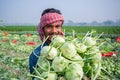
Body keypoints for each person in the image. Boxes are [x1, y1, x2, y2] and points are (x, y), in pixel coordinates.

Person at [29, 8, 64, 80]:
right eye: (49, 26)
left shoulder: (70, 48)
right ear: (42, 29)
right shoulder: (36, 55)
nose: (54, 31)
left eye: (57, 26)